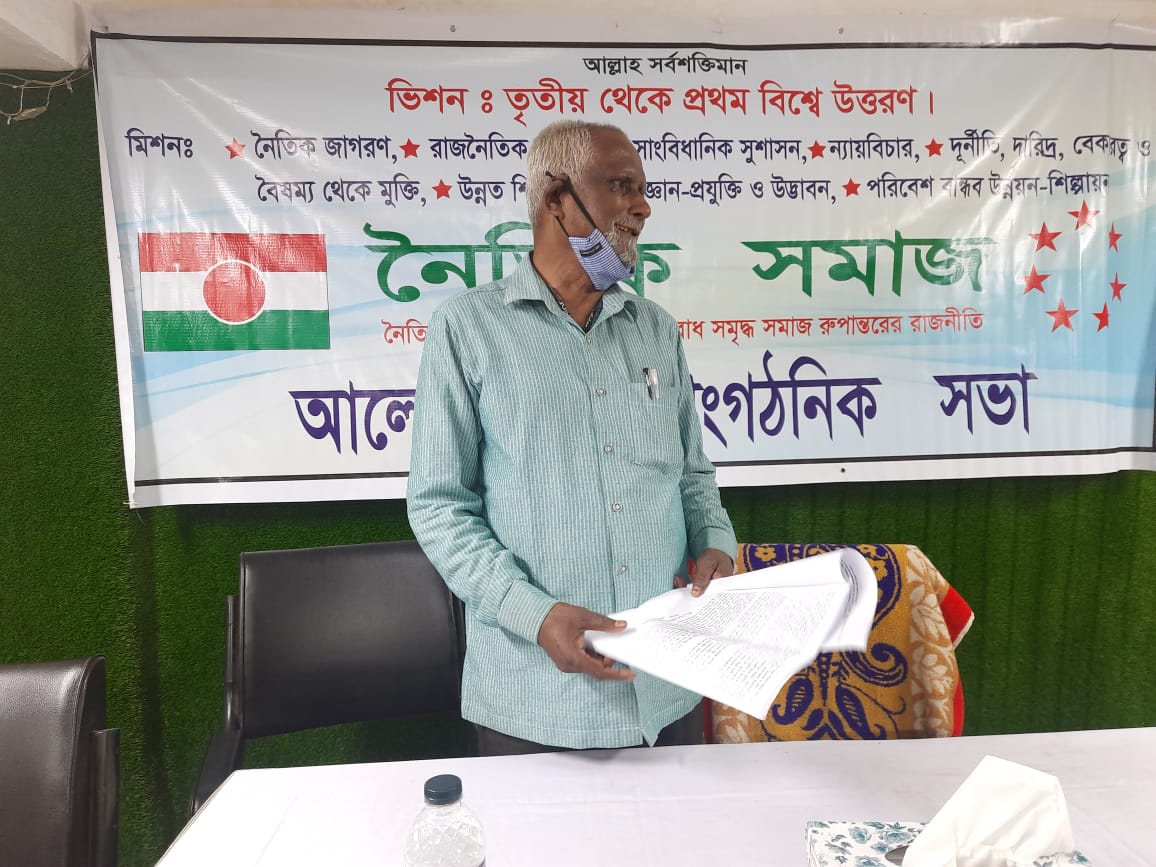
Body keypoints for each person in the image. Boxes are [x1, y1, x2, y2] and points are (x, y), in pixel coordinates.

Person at [406, 119, 737, 754]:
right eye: (621, 186)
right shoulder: (467, 329)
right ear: (558, 197)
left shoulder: (655, 330)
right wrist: (535, 616)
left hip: (667, 690)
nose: (642, 207)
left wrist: (714, 542)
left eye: (643, 190)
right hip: (533, 701)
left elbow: (691, 474)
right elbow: (440, 506)